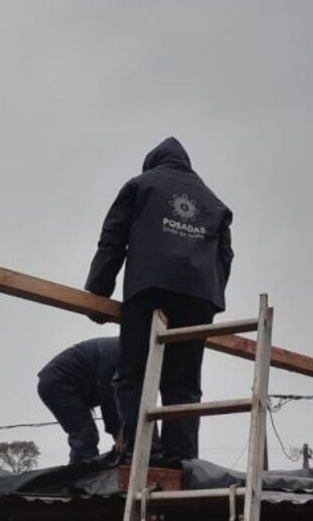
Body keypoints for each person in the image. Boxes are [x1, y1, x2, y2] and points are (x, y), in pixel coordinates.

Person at [85, 137, 233, 464]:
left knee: (134, 372)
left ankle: (144, 452)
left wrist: (98, 290)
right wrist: (210, 297)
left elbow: (113, 238)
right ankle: (182, 459)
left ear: (153, 163)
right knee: (183, 383)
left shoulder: (140, 185)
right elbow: (225, 257)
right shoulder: (214, 203)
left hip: (149, 287)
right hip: (198, 296)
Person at [37, 337, 122, 464]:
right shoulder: (116, 351)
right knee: (85, 436)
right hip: (58, 382)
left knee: (87, 435)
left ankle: (84, 473)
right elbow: (108, 395)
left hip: (78, 386)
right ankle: (81, 479)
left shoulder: (123, 351)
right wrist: (118, 434)